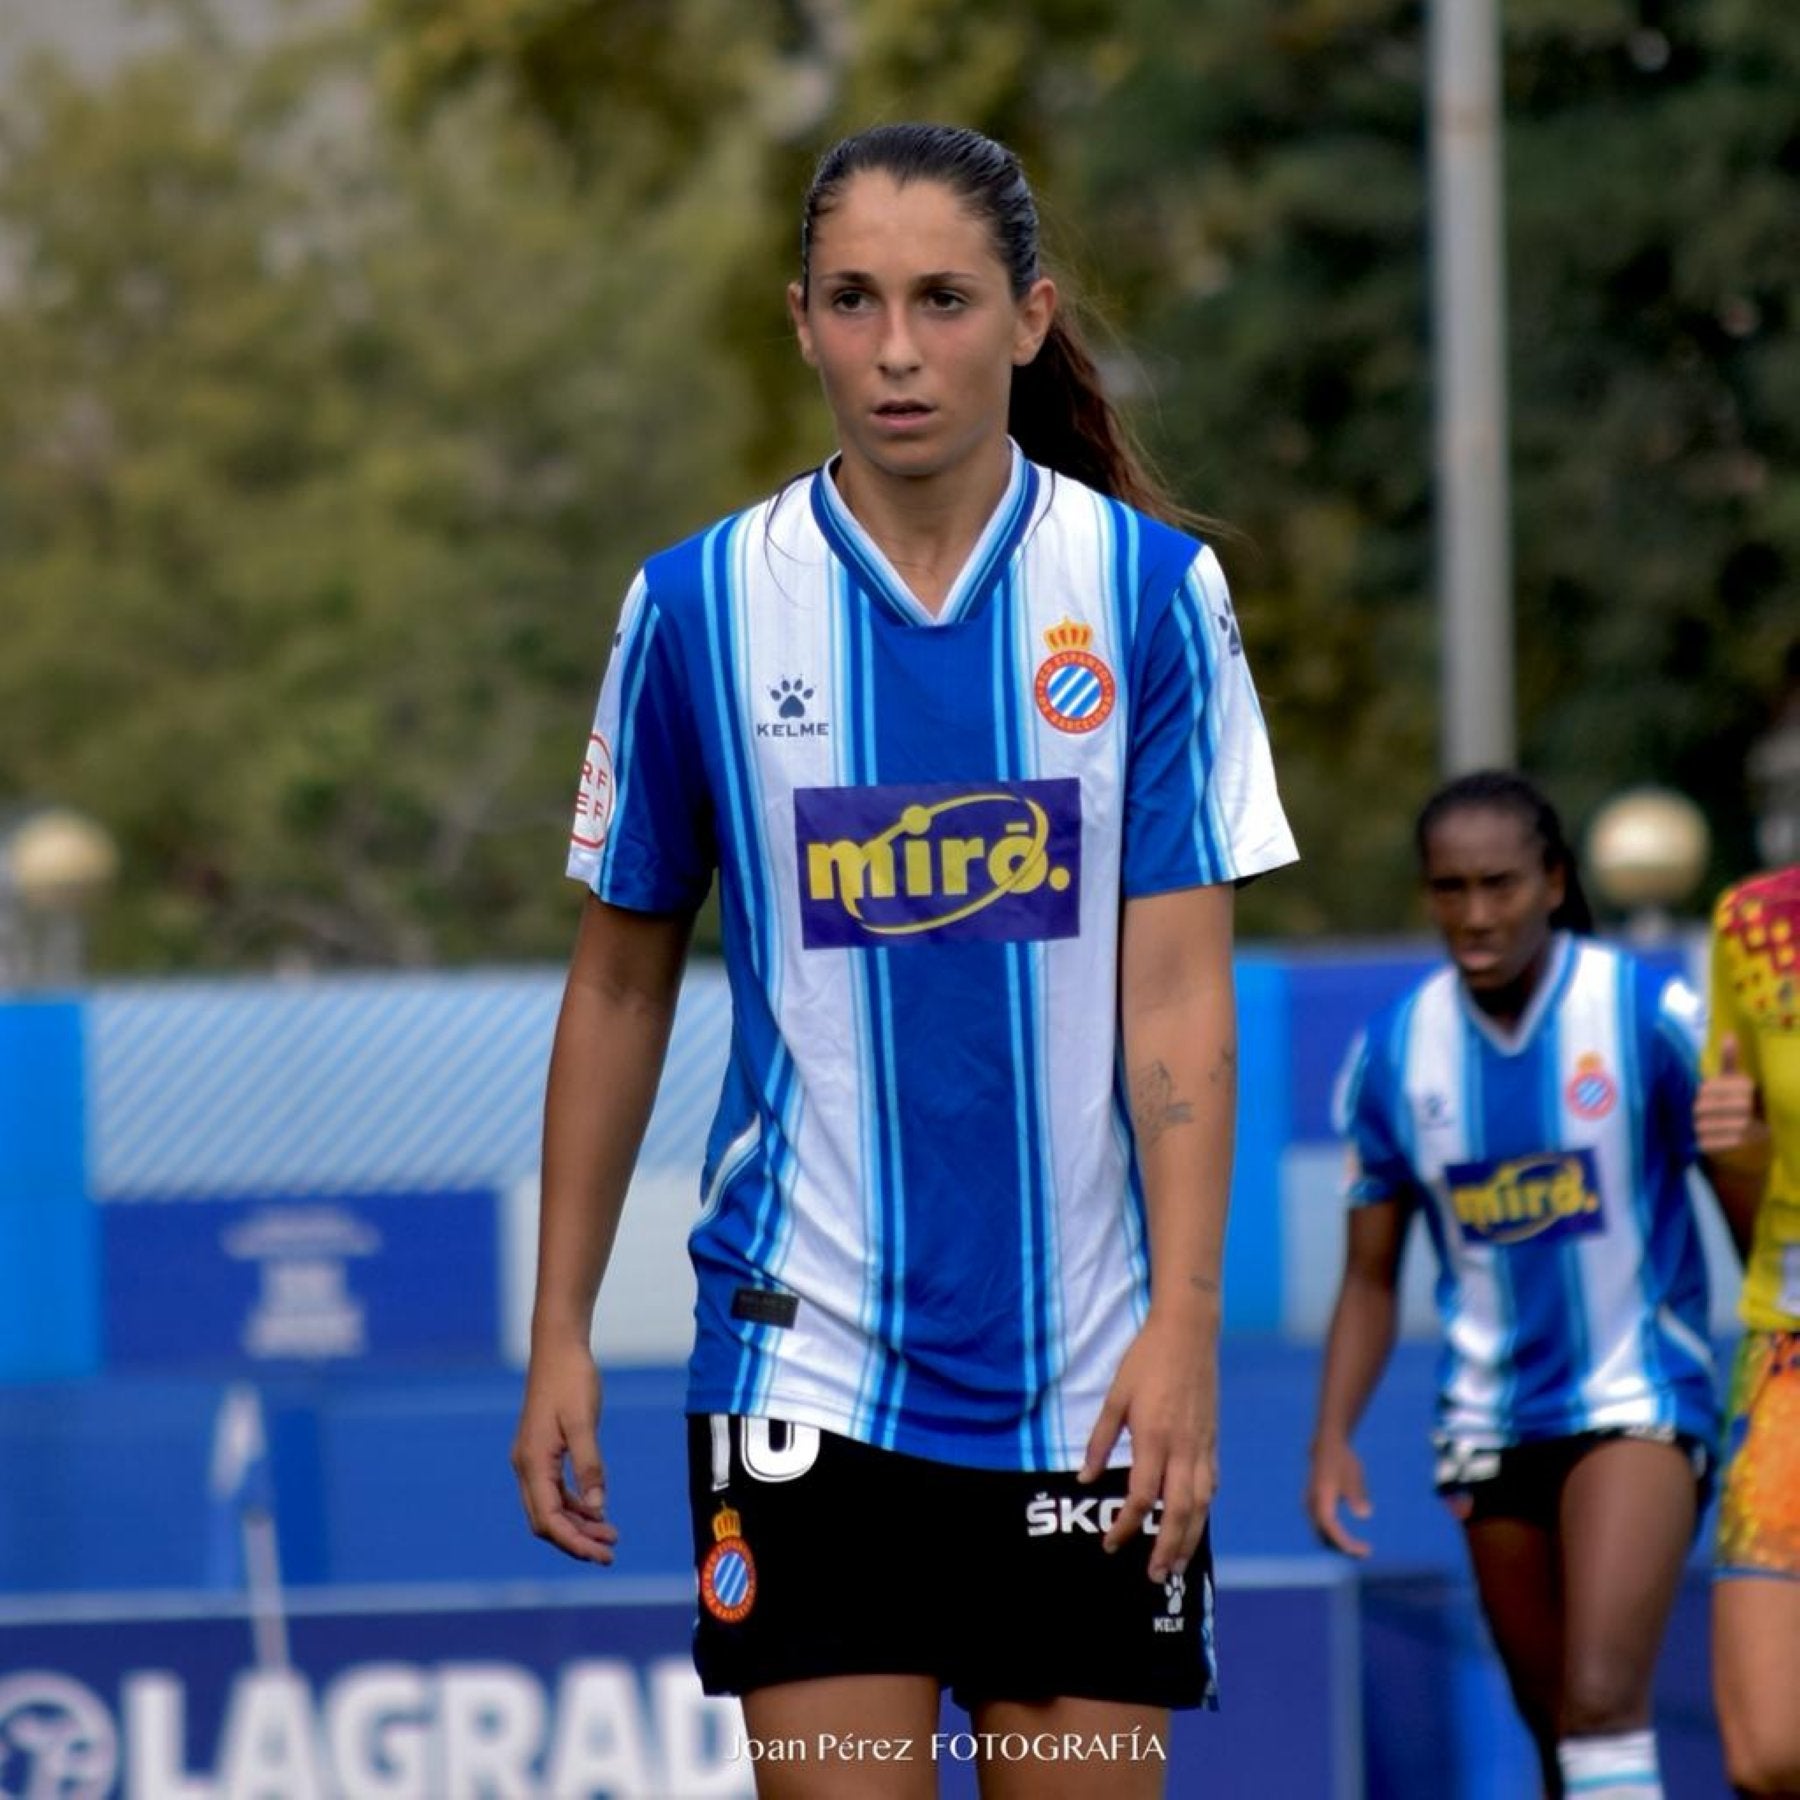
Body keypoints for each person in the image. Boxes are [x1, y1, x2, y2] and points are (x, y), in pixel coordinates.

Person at [511, 122, 1298, 1799]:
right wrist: (559, 1325)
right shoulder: (698, 605)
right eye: (854, 300)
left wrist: (1186, 1326)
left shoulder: (1153, 599)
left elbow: (1175, 996)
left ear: (1029, 316)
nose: (895, 349)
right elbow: (619, 980)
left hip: (1093, 1384)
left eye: (942, 299)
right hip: (804, 1371)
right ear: (798, 319)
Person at [1305, 770, 1718, 1800]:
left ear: (1552, 882)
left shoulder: (1645, 1013)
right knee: (1559, 1742)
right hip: (1490, 1427)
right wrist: (1331, 1439)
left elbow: (1752, 1193)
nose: (1476, 913)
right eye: (1450, 889)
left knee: (1601, 1699)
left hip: (1640, 1396)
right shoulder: (1394, 1055)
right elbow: (1368, 1278)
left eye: (1499, 883)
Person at [1695, 864, 1800, 1797]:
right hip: (1787, 1356)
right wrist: (1739, 1147)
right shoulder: (1759, 925)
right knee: (1768, 1752)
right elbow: (1744, 1172)